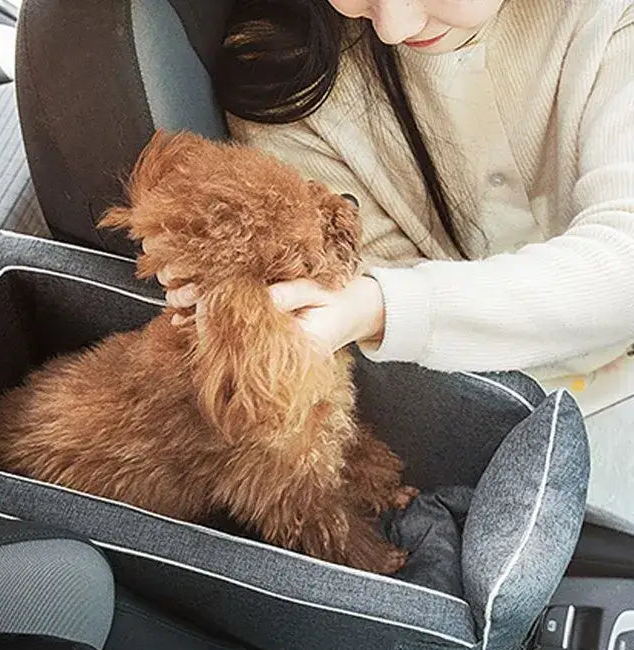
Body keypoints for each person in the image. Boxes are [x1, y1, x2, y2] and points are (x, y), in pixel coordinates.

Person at [155, 0, 634, 384]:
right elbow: (346, 286)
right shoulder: (283, 76)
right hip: (483, 416)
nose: (392, 26)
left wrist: (382, 308)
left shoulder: (607, 16)